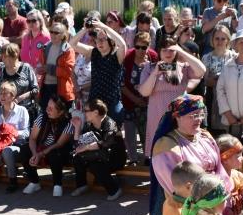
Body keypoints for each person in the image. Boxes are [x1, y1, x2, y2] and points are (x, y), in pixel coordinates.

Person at [139, 38, 207, 153]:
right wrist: (155, 73)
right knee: (158, 150)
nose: (168, 53)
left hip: (179, 117)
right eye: (164, 50)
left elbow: (202, 71)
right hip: (157, 116)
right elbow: (144, 92)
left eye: (171, 50)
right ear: (159, 51)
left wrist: (182, 52)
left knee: (179, 149)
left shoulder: (183, 67)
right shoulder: (150, 67)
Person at [70, 18, 127, 124]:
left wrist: (103, 26)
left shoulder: (117, 56)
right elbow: (72, 44)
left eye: (103, 39)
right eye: (97, 39)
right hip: (94, 104)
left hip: (112, 104)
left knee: (114, 138)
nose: (99, 42)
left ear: (110, 41)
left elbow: (123, 45)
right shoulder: (93, 52)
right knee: (93, 137)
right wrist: (84, 29)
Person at [70, 98, 126, 200]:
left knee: (96, 165)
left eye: (86, 111)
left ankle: (114, 190)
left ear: (95, 112)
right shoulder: (89, 124)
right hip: (100, 155)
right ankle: (82, 185)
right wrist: (77, 127)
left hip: (115, 157)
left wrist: (86, 147)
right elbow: (78, 145)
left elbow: (105, 143)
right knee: (77, 158)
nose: (84, 113)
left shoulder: (110, 123)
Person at [21, 95, 75, 197]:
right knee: (24, 150)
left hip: (58, 149)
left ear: (61, 112)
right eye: (47, 106)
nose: (47, 110)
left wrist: (41, 154)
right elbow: (32, 139)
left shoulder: (68, 123)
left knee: (54, 154)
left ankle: (57, 184)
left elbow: (59, 144)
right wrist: (35, 154)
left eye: (51, 108)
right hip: (40, 147)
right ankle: (34, 182)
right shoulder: (42, 117)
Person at [122, 30, 156, 164]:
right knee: (129, 131)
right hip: (129, 100)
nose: (140, 50)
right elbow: (122, 84)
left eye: (144, 47)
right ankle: (132, 158)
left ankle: (148, 156)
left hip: (148, 102)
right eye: (137, 47)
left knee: (146, 131)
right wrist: (135, 99)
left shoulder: (153, 57)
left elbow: (157, 80)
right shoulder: (127, 57)